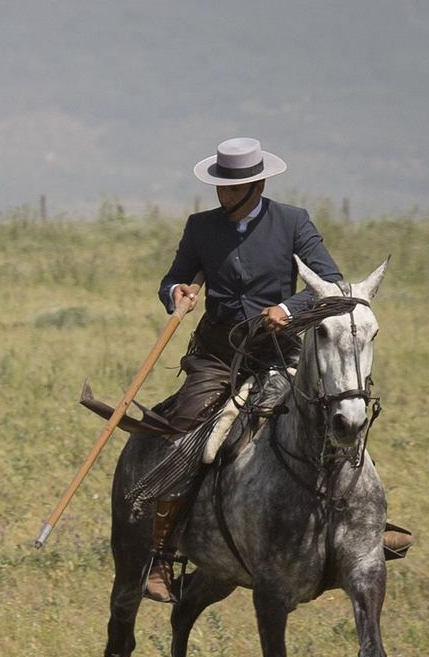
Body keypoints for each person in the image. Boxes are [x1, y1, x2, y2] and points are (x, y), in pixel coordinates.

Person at [144, 137, 365, 602]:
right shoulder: (200, 228)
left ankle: (363, 527)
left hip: (281, 352)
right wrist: (177, 292)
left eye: (235, 185)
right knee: (185, 429)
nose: (224, 193)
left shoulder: (293, 222)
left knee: (335, 416)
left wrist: (287, 307)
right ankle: (161, 555)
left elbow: (332, 285)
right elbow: (172, 279)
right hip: (217, 355)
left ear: (258, 183)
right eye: (221, 184)